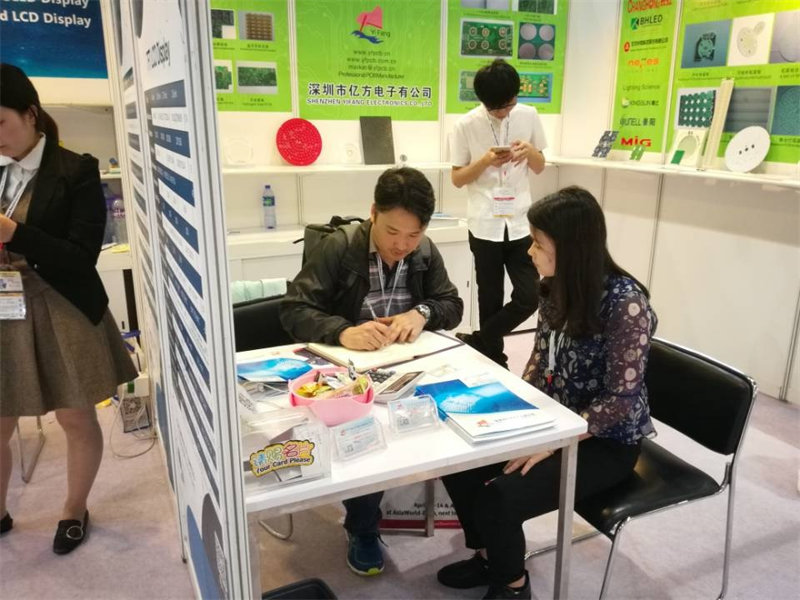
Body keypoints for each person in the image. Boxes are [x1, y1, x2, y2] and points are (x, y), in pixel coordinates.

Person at [436, 186, 658, 599]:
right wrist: (516, 414)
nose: (529, 251)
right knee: (460, 460)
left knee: (500, 497)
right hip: (553, 422)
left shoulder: (626, 306)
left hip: (606, 442)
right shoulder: (555, 288)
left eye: (538, 243)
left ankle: (513, 586)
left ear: (571, 249)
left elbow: (620, 400)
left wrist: (554, 442)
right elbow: (540, 362)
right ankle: (489, 557)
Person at [280, 166, 464, 575]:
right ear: (373, 214)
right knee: (364, 429)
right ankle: (362, 528)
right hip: (348, 371)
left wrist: (422, 312)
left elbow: (452, 304)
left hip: (406, 366)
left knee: (462, 412)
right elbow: (293, 310)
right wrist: (342, 331)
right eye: (392, 232)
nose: (402, 245)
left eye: (413, 235)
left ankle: (477, 530)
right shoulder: (340, 247)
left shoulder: (424, 251)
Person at [0, 64, 137, 554]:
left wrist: (16, 234)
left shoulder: (75, 169)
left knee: (76, 418)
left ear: (30, 114)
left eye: (0, 122)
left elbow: (81, 256)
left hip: (62, 304)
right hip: (5, 308)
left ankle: (74, 509)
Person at [450, 58, 547, 369]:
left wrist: (530, 151)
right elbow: (457, 178)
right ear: (483, 101)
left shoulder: (529, 115)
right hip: (484, 223)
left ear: (516, 95)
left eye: (508, 105)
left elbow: (540, 165)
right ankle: (494, 359)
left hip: (520, 222)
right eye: (495, 108)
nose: (503, 112)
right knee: (489, 298)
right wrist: (485, 162)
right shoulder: (465, 125)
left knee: (530, 296)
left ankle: (480, 339)